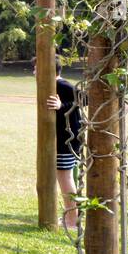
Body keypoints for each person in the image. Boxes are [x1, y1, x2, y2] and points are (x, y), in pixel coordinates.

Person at [34, 55, 83, 230]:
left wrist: (62, 106)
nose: (34, 72)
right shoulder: (53, 85)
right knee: (64, 177)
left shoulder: (62, 85)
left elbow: (86, 99)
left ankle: (72, 222)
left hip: (67, 139)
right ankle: (72, 218)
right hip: (63, 139)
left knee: (65, 178)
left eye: (37, 68)